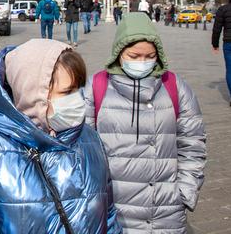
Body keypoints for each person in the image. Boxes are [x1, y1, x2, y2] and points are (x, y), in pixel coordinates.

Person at [0, 40, 121, 233]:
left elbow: (108, 215)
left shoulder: (89, 138)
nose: (77, 100)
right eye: (67, 92)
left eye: (79, 89)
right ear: (33, 94)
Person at [84, 12, 207, 231]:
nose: (142, 62)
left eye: (149, 56)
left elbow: (193, 144)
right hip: (112, 210)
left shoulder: (175, 87)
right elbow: (82, 150)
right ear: (119, 52)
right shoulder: (96, 87)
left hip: (165, 211)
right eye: (134, 56)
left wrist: (185, 192)